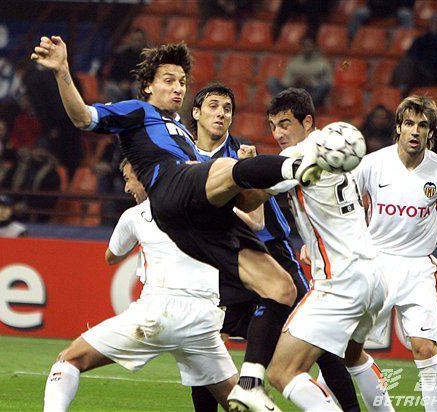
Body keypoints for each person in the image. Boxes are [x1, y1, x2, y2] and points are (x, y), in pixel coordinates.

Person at [31, 36, 321, 409]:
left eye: (182, 82)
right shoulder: (138, 112)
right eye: (169, 80)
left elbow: (250, 212)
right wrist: (62, 71)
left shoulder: (182, 132)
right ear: (148, 86)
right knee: (226, 167)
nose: (178, 88)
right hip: (172, 195)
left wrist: (253, 179)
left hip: (197, 233)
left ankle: (250, 383)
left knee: (281, 288)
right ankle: (298, 164)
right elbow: (83, 117)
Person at [189, 83, 361, 412]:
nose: (221, 114)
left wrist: (209, 207)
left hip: (271, 253)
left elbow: (255, 219)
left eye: (228, 108)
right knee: (204, 341)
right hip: (224, 258)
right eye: (214, 106)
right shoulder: (185, 156)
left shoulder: (242, 157)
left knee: (317, 340)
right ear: (196, 113)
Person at [43, 158, 237, 411]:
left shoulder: (135, 215)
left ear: (146, 177)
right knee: (239, 399)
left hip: (159, 310)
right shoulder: (206, 208)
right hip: (204, 317)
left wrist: (139, 237)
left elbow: (112, 256)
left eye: (128, 179)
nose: (126, 188)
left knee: (69, 359)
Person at [262, 88, 393, 411]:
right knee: (351, 355)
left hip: (340, 281)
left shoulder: (299, 155)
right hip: (373, 276)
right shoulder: (336, 146)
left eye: (285, 124)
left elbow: (253, 192)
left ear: (307, 122)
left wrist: (244, 166)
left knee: (281, 372)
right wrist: (313, 241)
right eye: (273, 126)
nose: (278, 134)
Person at [353, 95, 437, 411]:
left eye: (422, 125)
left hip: (418, 268)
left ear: (430, 132)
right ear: (398, 127)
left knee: (425, 349)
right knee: (347, 349)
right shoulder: (371, 165)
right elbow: (344, 206)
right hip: (376, 263)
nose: (415, 131)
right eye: (409, 123)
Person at [267, 37, 332, 108]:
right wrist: (294, 82)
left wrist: (310, 82)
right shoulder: (294, 62)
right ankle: (287, 103)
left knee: (324, 86)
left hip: (310, 92)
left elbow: (327, 84)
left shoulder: (323, 63)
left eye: (309, 46)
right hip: (294, 90)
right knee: (271, 81)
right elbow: (286, 82)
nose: (307, 49)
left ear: (315, 47)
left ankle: (305, 105)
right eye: (304, 46)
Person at [348, 0, 414, 42]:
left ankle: (406, 39)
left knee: (406, 14)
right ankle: (351, 38)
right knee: (360, 13)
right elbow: (370, 3)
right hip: (375, 10)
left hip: (394, 11)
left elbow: (407, 3)